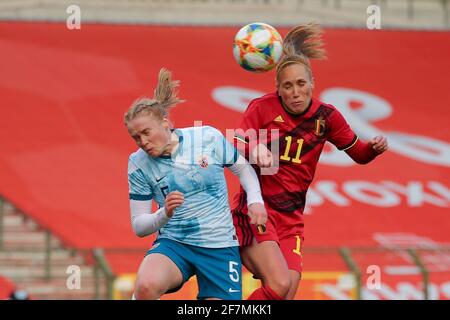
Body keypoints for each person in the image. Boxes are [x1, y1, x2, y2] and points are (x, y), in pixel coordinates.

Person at [232, 23, 389, 300]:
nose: (295, 91)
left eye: (301, 84)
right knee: (279, 285)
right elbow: (235, 142)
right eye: (288, 86)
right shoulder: (261, 108)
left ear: (312, 84)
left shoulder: (327, 118)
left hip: (291, 219)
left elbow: (358, 154)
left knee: (287, 292)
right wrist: (255, 147)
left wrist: (372, 150)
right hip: (258, 211)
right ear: (278, 88)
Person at [125, 68, 267, 300]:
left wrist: (255, 200)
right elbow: (139, 226)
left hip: (219, 245)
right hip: (175, 243)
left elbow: (242, 168)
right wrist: (164, 213)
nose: (143, 142)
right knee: (146, 286)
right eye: (136, 137)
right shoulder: (138, 163)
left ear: (165, 122)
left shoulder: (206, 137)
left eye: (146, 132)